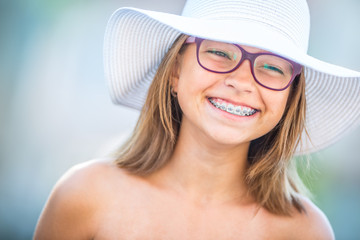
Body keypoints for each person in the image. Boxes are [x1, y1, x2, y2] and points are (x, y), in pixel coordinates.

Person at [34, 0, 360, 239]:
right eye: (219, 52)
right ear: (175, 70)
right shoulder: (85, 195)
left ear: (290, 99)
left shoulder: (303, 232)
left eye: (272, 68)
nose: (241, 81)